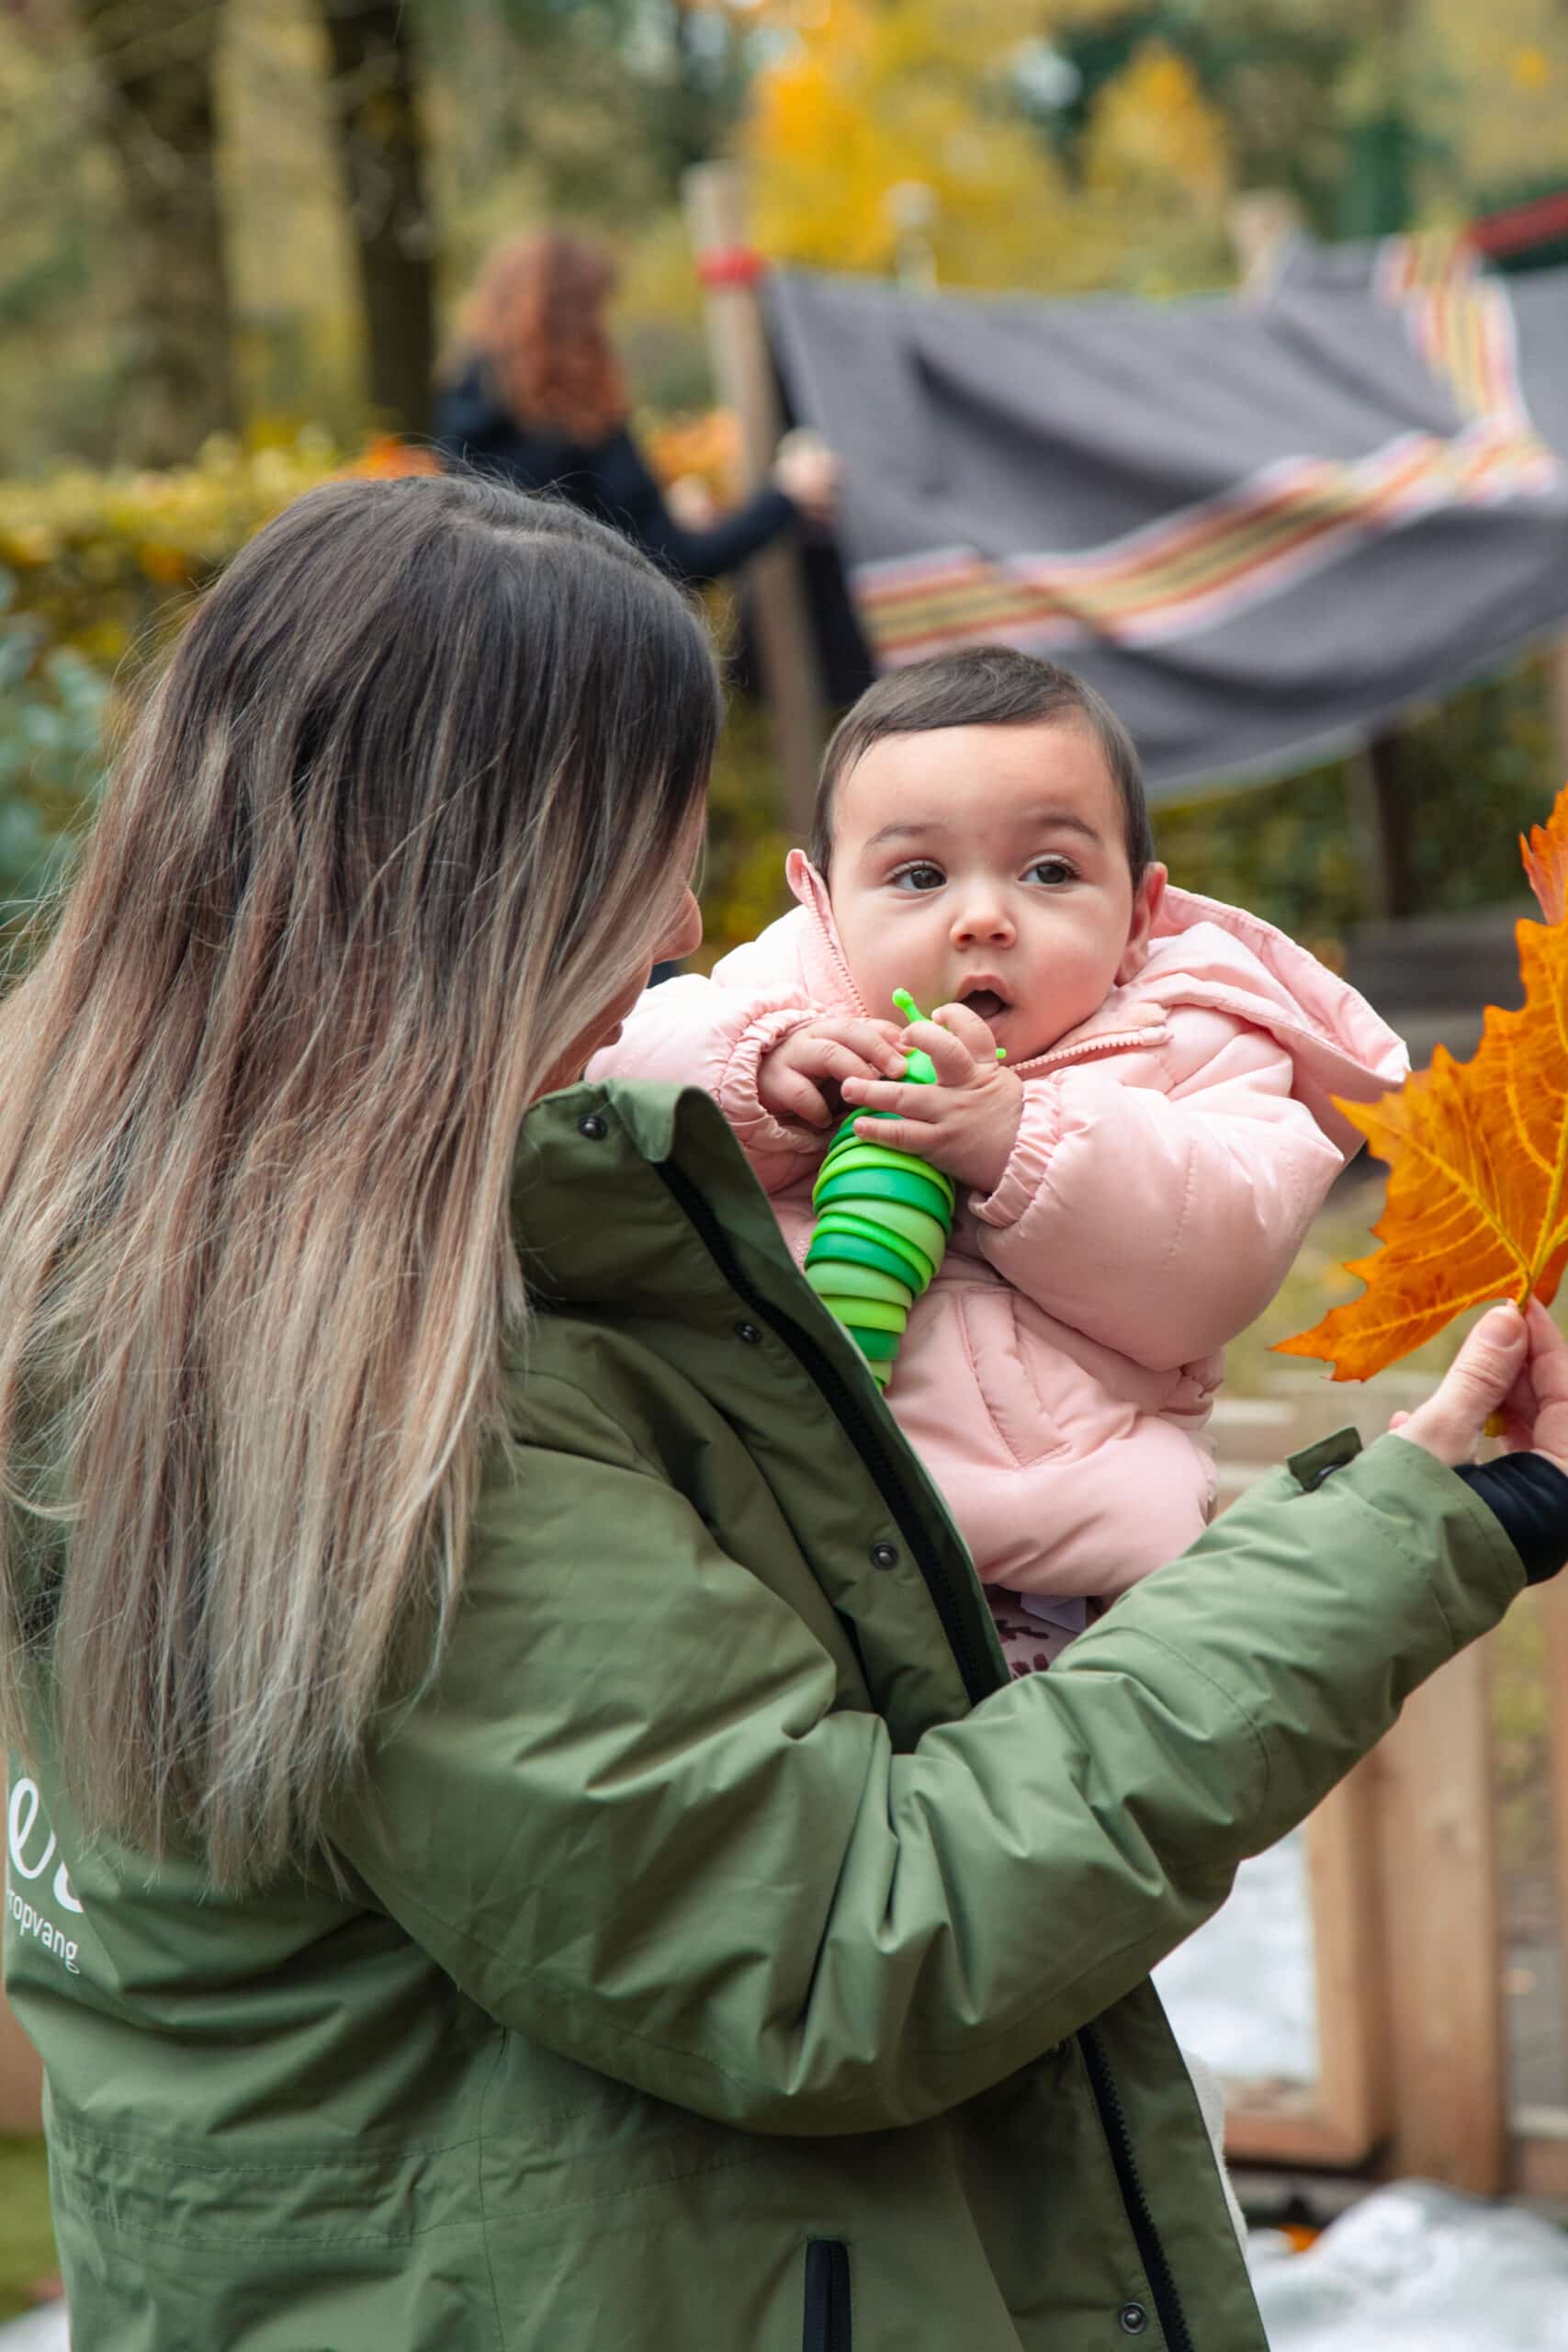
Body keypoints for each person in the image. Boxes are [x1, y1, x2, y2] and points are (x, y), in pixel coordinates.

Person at [2, 471, 1566, 2352]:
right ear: (475, 890)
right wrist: (1417, 1520)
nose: (682, 917)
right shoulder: (376, 1413)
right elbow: (847, 1940)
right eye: (643, 856)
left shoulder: (163, 1280)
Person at [593, 647, 1409, 1671]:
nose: (983, 917)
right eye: (919, 876)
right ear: (824, 901)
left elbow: (1213, 1259)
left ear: (1139, 915)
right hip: (782, 1538)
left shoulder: (1195, 1043)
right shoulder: (777, 1000)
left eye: (1049, 871)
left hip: (1064, 1578)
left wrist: (1019, 1142)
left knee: (1073, 1755)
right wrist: (759, 1075)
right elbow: (611, 1090)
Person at [434, 227, 838, 585]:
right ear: (572, 321)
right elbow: (672, 564)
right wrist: (786, 498)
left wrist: (663, 521)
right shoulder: (580, 426)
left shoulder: (465, 414)